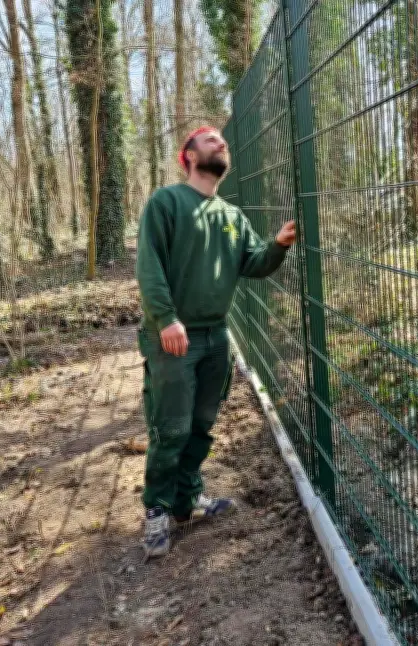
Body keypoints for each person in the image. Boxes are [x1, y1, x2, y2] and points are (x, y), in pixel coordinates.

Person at [134, 126, 296, 558]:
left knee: (202, 424)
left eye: (223, 140)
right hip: (172, 335)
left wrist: (278, 245)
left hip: (215, 335)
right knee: (171, 426)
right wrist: (166, 319)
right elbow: (149, 267)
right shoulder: (167, 203)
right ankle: (157, 508)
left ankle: (187, 500)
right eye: (210, 140)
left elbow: (253, 263)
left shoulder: (232, 215)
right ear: (187, 156)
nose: (221, 143)